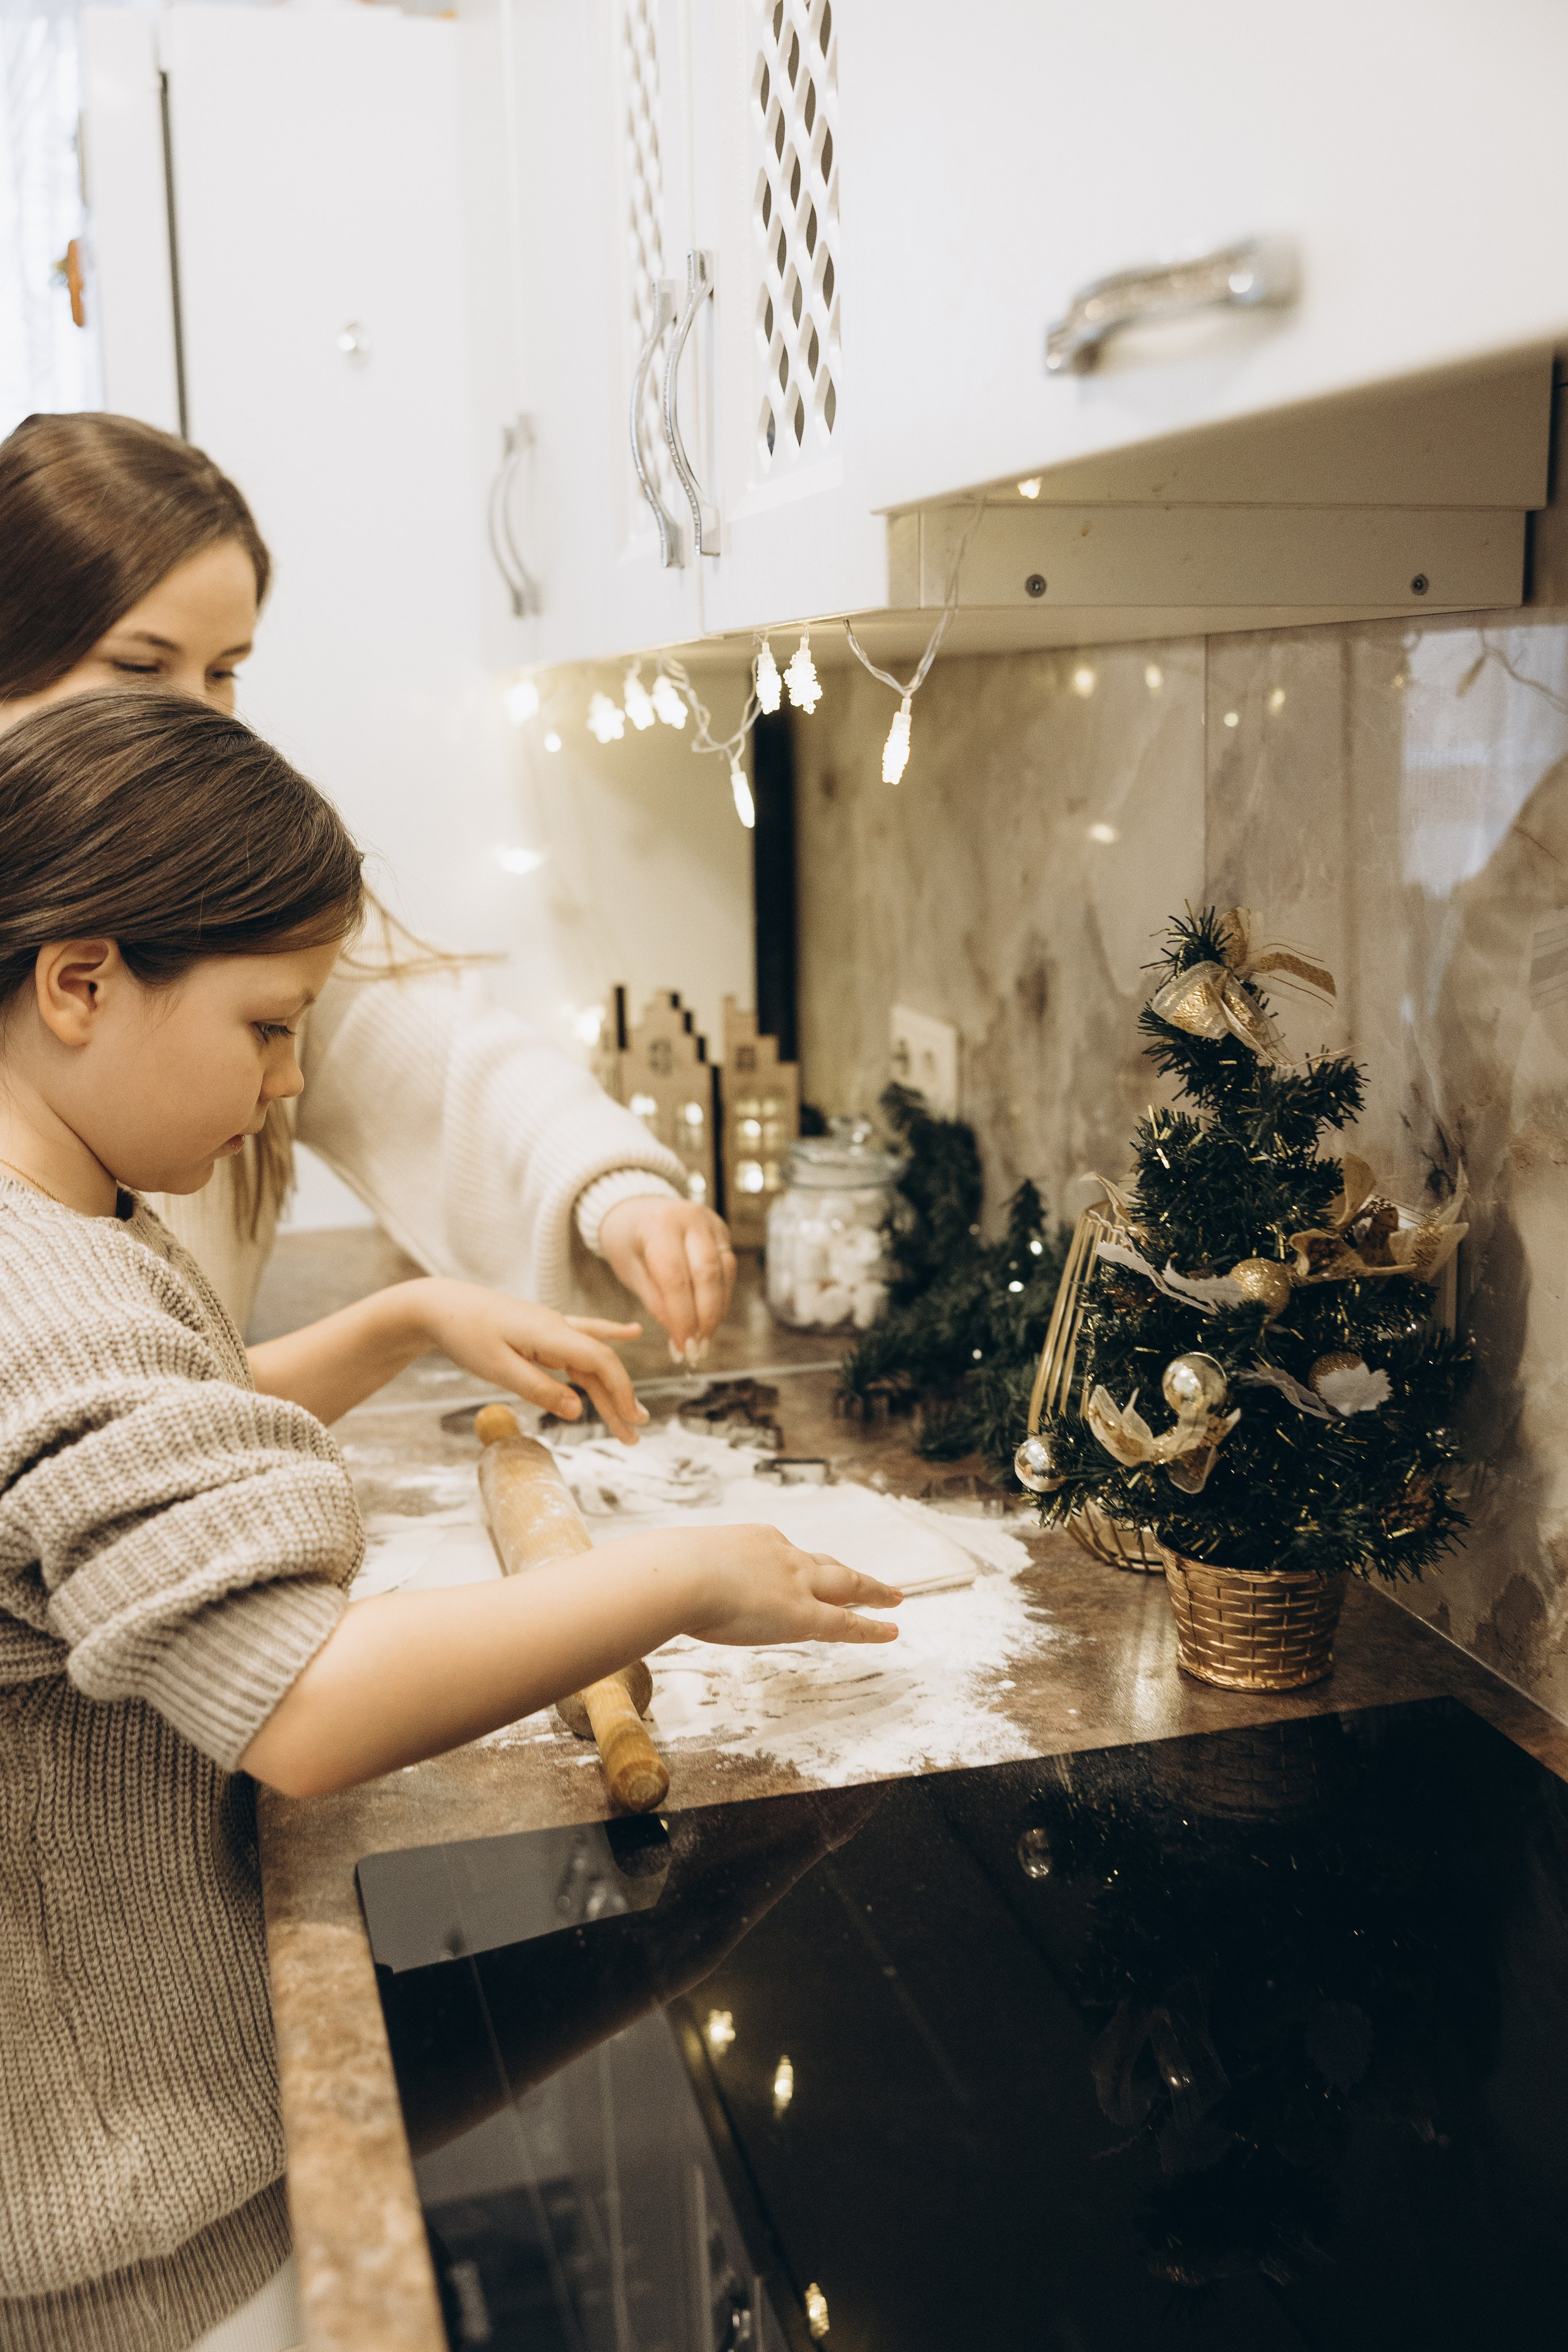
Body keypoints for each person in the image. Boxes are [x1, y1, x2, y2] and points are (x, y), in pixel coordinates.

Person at [0, 690, 900, 2352]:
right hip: (111, 2239)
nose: (285, 1090)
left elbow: (109, 1494)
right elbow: (310, 1705)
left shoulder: (57, 1224)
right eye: (268, 1029)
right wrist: (682, 1572)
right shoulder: (44, 1289)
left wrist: (395, 1323)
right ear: (78, 984)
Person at [0, 409, 735, 1352]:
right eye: (142, 667)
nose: (201, 716)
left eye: (225, 671)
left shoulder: (227, 883)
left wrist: (614, 1190)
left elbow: (445, 1059)